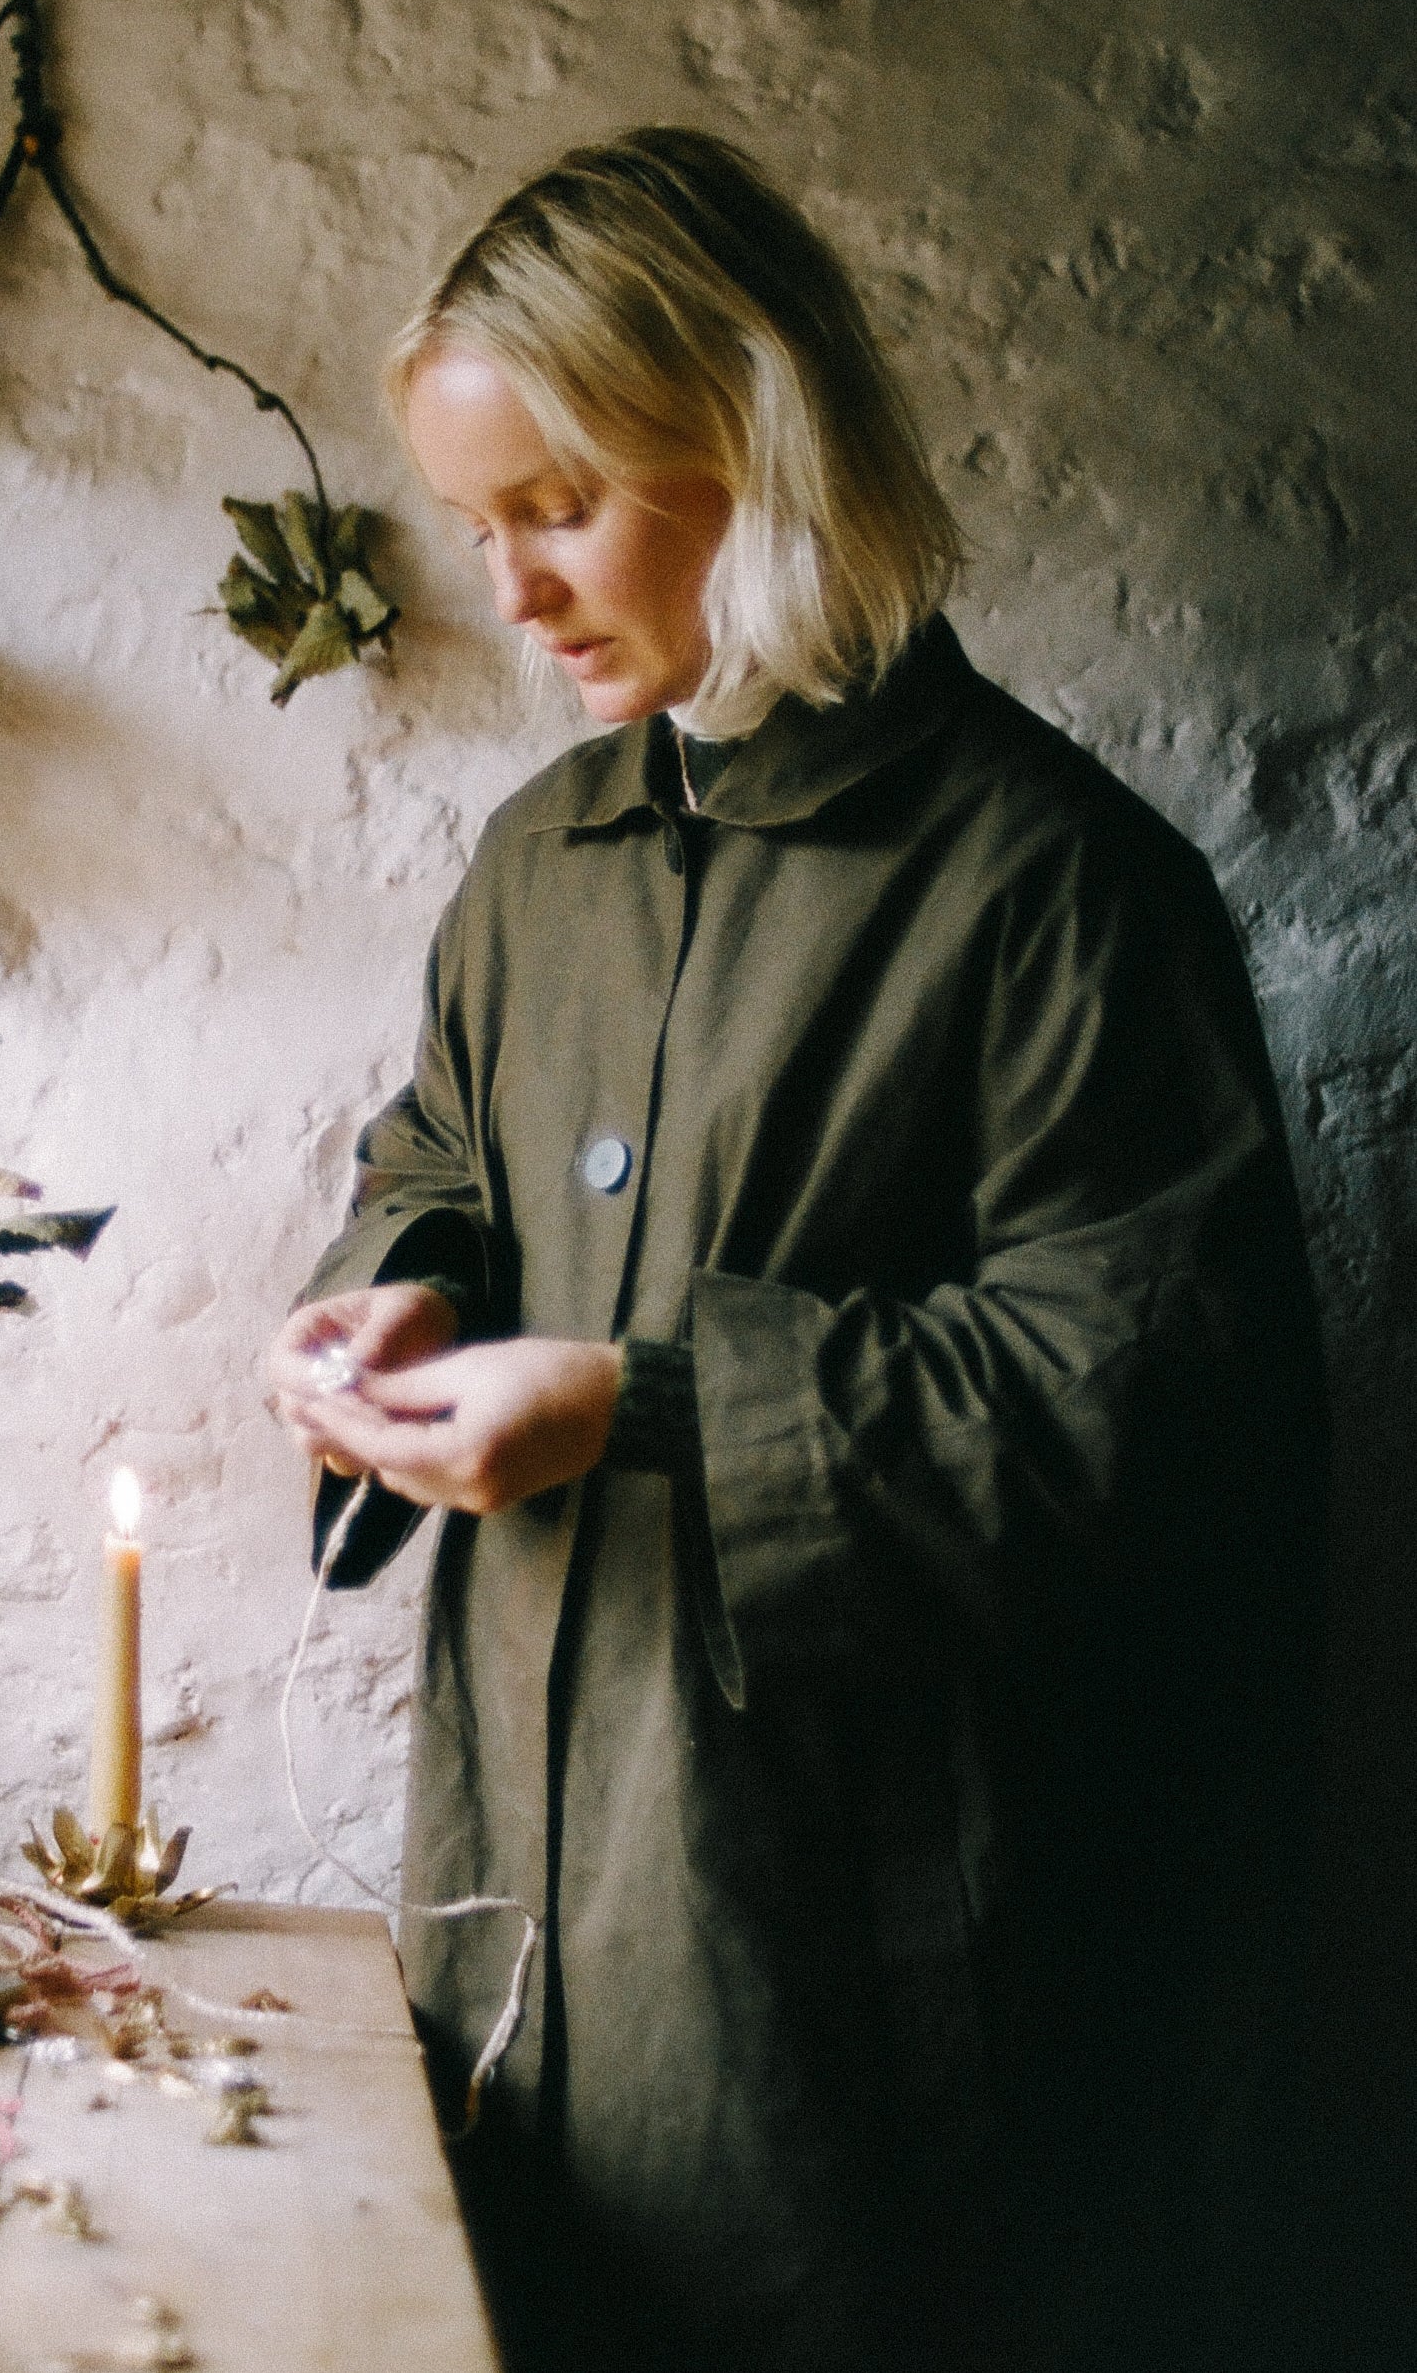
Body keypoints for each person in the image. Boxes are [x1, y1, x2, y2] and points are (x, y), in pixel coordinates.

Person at [266, 128, 1326, 2373]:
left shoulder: (1058, 888)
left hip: (856, 1985)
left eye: (559, 506)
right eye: (475, 525)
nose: (512, 592)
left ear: (756, 439)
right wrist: (409, 1285)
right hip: (519, 1893)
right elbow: (443, 1148)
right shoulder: (538, 861)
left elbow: (1154, 1410)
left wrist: (640, 1403)